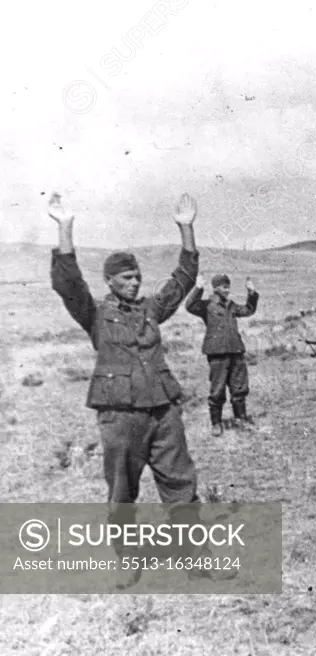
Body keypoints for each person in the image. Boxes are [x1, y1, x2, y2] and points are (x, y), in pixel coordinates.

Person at [48, 191, 229, 588]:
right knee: (122, 493)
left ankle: (196, 558)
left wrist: (186, 229)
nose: (134, 283)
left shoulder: (150, 310)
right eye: (126, 278)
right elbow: (68, 284)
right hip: (120, 416)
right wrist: (65, 228)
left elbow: (181, 280)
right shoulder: (94, 313)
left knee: (182, 486)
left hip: (164, 412)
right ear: (110, 281)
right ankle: (127, 560)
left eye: (137, 277)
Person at [184, 273, 260, 435]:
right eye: (224, 287)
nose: (227, 290)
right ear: (216, 288)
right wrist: (198, 288)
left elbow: (248, 310)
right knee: (217, 390)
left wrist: (251, 294)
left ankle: (241, 419)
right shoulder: (206, 306)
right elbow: (189, 306)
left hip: (235, 351)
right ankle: (216, 423)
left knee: (239, 388)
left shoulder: (231, 306)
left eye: (228, 287)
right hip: (217, 353)